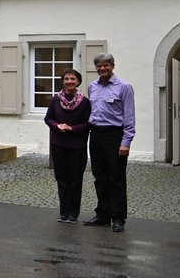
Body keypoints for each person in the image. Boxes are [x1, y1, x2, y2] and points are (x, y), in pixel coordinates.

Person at [83, 53, 135, 233]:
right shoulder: (92, 86)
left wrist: (126, 142)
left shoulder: (124, 87)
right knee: (100, 177)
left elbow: (129, 116)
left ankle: (118, 217)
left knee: (116, 178)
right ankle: (103, 214)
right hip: (96, 135)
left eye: (106, 65)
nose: (102, 68)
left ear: (113, 66)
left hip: (115, 136)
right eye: (99, 66)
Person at [44, 68, 91, 223]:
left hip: (77, 146)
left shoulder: (84, 102)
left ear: (78, 82)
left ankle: (73, 214)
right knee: (62, 179)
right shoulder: (55, 100)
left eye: (72, 79)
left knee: (75, 180)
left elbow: (89, 124)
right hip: (59, 145)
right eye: (66, 79)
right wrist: (56, 126)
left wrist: (72, 128)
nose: (69, 81)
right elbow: (48, 119)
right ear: (63, 81)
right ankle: (63, 212)